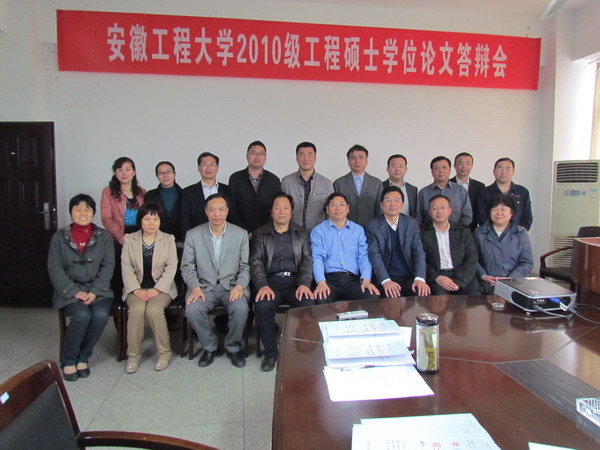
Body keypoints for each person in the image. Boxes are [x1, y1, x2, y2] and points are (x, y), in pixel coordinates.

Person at [47, 194, 114, 381]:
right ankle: (69, 360)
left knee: (100, 315)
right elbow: (55, 268)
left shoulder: (103, 236)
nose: (82, 213)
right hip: (69, 291)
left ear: (93, 213)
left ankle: (83, 357)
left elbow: (108, 266)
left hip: (99, 290)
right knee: (82, 315)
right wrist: (75, 292)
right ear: (71, 213)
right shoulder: (59, 237)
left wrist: (94, 291)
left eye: (87, 209)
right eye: (77, 209)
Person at [181, 194, 249, 368]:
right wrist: (195, 287)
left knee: (240, 308)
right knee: (192, 310)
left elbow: (245, 266)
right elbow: (187, 267)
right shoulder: (193, 235)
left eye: (221, 209)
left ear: (227, 211)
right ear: (206, 212)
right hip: (204, 287)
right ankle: (210, 346)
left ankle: (233, 347)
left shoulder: (240, 234)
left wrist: (240, 285)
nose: (216, 214)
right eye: (212, 210)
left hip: (232, 286)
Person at [250, 193, 315, 371]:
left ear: (291, 212)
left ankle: (300, 348)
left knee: (308, 303)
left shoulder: (301, 233)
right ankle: (271, 354)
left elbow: (307, 261)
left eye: (285, 208)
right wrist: (262, 285)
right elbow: (255, 262)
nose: (281, 211)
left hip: (295, 282)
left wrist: (304, 283)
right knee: (263, 307)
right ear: (271, 212)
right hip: (270, 282)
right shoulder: (260, 233)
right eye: (277, 208)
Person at [121, 202, 178, 374]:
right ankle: (133, 356)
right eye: (147, 219)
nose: (151, 223)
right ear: (140, 220)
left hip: (161, 288)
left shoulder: (168, 239)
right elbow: (126, 267)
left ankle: (164, 353)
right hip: (136, 288)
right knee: (137, 310)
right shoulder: (129, 239)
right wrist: (136, 290)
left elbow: (171, 267)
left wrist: (157, 289)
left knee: (154, 310)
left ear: (160, 221)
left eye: (155, 219)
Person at [310, 192, 380, 303]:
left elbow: (363, 257)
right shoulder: (318, 231)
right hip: (329, 280)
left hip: (352, 280)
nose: (338, 208)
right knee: (321, 298)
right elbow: (317, 258)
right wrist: (321, 282)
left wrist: (366, 280)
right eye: (333, 205)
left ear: (348, 209)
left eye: (342, 204)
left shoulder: (358, 230)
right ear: (327, 209)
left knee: (372, 296)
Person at [364, 186, 430, 297]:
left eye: (397, 200)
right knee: (393, 302)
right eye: (388, 200)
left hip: (409, 276)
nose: (392, 204)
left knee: (423, 295)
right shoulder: (372, 226)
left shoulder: (411, 224)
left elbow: (418, 251)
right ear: (381, 204)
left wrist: (419, 278)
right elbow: (375, 256)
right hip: (387, 278)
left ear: (402, 204)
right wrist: (386, 281)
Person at [420, 195, 480, 295]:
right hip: (437, 275)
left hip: (461, 274)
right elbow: (419, 259)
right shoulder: (421, 232)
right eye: (435, 208)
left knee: (474, 297)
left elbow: (472, 257)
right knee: (441, 299)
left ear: (449, 211)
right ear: (430, 212)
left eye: (443, 207)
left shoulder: (463, 231)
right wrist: (436, 277)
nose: (439, 211)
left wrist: (459, 281)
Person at [474, 195, 533, 294]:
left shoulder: (521, 233)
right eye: (495, 209)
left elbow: (527, 262)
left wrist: (510, 280)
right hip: (484, 285)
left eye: (503, 209)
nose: (499, 213)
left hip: (515, 285)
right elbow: (472, 258)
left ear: (511, 213)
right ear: (489, 212)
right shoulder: (479, 232)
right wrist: (483, 275)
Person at [227, 141, 281, 233]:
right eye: (253, 153)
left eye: (261, 154)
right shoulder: (235, 178)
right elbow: (232, 208)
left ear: (265, 157)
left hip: (267, 233)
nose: (257, 157)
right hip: (240, 233)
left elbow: (275, 208)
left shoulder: (273, 180)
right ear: (247, 155)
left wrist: (261, 231)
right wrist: (245, 231)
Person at [281, 141, 334, 231]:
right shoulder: (286, 182)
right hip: (292, 233)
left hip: (318, 233)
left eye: (310, 155)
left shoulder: (326, 183)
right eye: (302, 155)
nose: (306, 158)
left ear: (315, 158)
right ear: (297, 158)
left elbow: (331, 213)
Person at [180, 152, 228, 241]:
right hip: (197, 239)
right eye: (204, 164)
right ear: (199, 168)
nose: (208, 168)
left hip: (224, 239)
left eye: (212, 164)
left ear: (217, 168)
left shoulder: (227, 190)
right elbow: (184, 220)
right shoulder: (187, 192)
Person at [476, 157, 533, 231]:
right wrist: (494, 233)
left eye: (507, 169)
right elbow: (481, 217)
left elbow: (527, 218)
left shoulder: (523, 192)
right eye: (500, 168)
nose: (503, 172)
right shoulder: (485, 192)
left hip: (516, 235)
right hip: (490, 236)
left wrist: (517, 233)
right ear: (494, 172)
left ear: (513, 172)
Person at [333, 144, 383, 226]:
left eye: (361, 157)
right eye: (353, 158)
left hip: (371, 228)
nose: (357, 161)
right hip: (345, 228)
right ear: (348, 162)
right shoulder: (339, 183)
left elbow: (380, 209)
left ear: (366, 161)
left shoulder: (376, 183)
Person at [101, 156, 146, 245]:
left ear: (134, 172)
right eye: (120, 170)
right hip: (118, 239)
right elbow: (106, 218)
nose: (124, 173)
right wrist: (120, 236)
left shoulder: (142, 192)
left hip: (140, 238)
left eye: (127, 169)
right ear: (115, 173)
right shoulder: (108, 191)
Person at [416, 156, 472, 227]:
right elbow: (418, 218)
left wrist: (455, 230)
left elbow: (467, 216)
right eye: (436, 168)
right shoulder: (423, 193)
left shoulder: (460, 191)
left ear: (450, 171)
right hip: (429, 232)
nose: (441, 171)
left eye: (444, 167)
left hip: (456, 232)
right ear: (432, 172)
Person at [144, 161, 183, 241]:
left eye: (168, 172)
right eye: (161, 173)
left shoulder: (185, 194)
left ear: (174, 174)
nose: (165, 175)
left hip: (181, 239)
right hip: (157, 238)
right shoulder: (150, 195)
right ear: (157, 176)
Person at [450, 152, 484, 231]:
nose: (464, 166)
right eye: (460, 163)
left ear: (472, 166)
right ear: (454, 165)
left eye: (468, 163)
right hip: (451, 228)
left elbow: (480, 210)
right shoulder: (448, 184)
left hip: (472, 229)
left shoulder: (479, 186)